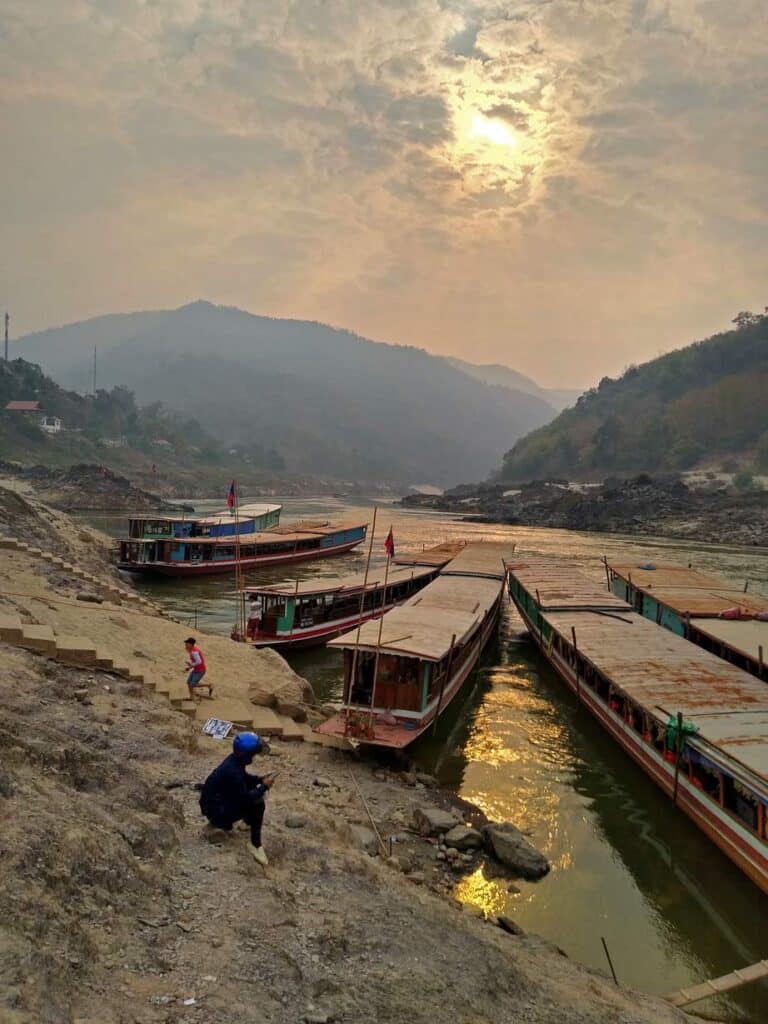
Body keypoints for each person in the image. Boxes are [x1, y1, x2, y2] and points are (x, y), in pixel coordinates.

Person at [199, 732, 275, 866]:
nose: (254, 757)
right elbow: (246, 798)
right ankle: (255, 844)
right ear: (246, 755)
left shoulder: (233, 761)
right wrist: (264, 787)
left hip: (216, 804)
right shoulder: (233, 772)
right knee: (258, 803)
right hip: (218, 813)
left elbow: (243, 778)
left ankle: (246, 822)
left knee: (255, 794)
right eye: (253, 754)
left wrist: (259, 780)